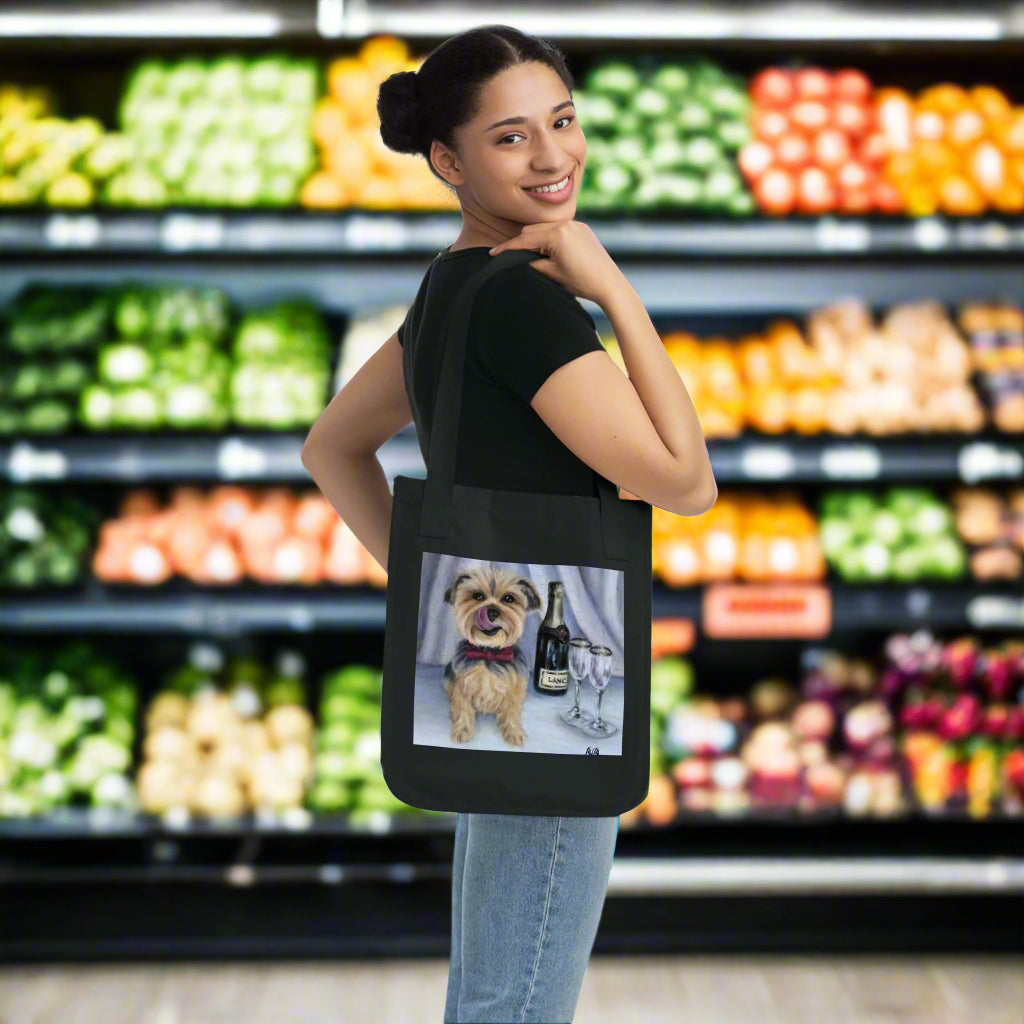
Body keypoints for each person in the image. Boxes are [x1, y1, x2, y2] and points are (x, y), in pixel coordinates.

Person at [302, 24, 716, 1023]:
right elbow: (684, 479)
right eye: (510, 137)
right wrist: (613, 291)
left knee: (491, 985)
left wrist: (432, 601)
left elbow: (329, 448)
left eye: (563, 122)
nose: (552, 157)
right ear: (446, 160)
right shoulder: (528, 307)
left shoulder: (447, 286)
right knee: (517, 999)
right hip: (557, 694)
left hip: (490, 679)